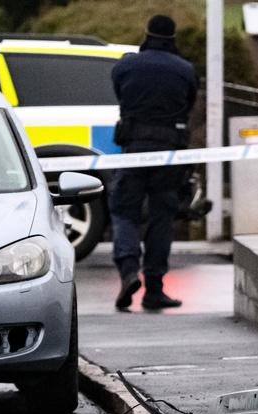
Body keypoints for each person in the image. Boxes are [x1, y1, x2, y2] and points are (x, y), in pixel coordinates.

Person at [110, 14, 197, 311]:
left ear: (146, 34)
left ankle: (128, 271)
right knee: (162, 218)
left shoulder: (126, 65)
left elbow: (120, 94)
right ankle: (154, 289)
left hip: (134, 149)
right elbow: (188, 104)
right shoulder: (185, 70)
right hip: (169, 154)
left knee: (124, 211)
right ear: (172, 38)